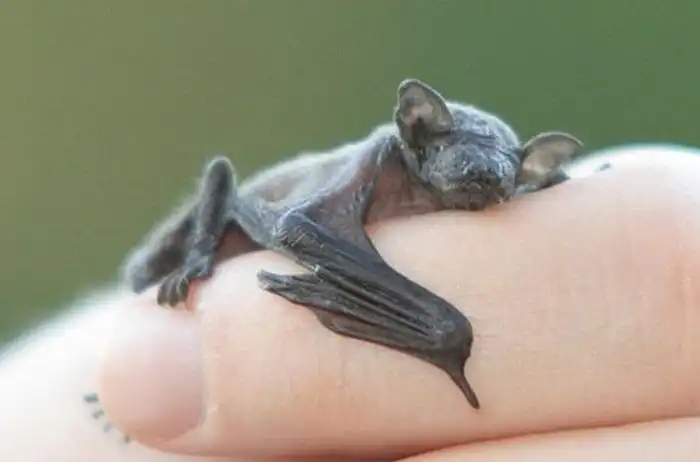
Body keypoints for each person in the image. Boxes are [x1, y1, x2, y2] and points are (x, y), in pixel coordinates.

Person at [1, 145, 699, 462]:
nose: (479, 193)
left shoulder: (489, 194)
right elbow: (297, 226)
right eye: (465, 181)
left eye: (499, 186)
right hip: (239, 232)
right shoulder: (377, 172)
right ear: (417, 133)